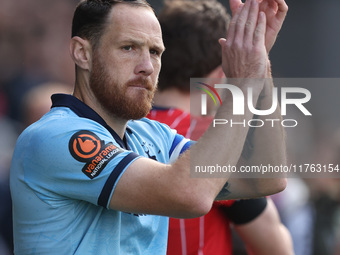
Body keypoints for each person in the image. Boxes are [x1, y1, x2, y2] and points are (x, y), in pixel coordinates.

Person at [10, 0, 288, 254]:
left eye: (154, 52)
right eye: (128, 47)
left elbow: (266, 177)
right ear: (82, 53)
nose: (146, 66)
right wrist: (242, 84)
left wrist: (259, 66)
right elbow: (192, 195)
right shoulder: (54, 136)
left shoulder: (154, 136)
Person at [147, 1, 293, 254]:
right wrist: (256, 66)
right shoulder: (211, 137)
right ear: (219, 77)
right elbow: (275, 247)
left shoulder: (117, 127)